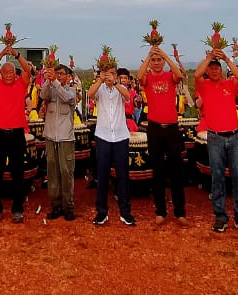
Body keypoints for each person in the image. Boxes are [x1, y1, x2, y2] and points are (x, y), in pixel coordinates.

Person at [194, 48, 238, 234]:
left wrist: (226, 58)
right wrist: (209, 57)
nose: (214, 70)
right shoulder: (204, 86)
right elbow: (196, 74)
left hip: (234, 137)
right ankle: (220, 216)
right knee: (217, 178)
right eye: (211, 68)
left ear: (221, 69)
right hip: (215, 137)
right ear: (208, 71)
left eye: (217, 68)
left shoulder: (229, 84)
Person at [138, 46, 187, 226]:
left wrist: (165, 54)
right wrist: (149, 55)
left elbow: (179, 75)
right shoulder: (148, 78)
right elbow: (139, 76)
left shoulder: (169, 76)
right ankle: (160, 211)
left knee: (176, 171)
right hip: (155, 128)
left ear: (164, 62)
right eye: (154, 61)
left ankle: (180, 212)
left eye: (159, 60)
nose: (157, 63)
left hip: (172, 128)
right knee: (157, 171)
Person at [0, 46, 33, 224]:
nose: (8, 74)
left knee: (17, 172)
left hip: (16, 134)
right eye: (5, 71)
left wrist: (16, 55)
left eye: (12, 71)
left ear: (15, 74)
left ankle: (17, 208)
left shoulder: (21, 84)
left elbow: (28, 70)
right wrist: (1, 54)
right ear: (1, 73)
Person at [88, 63, 135, 226]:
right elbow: (90, 93)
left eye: (113, 73)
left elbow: (128, 97)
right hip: (103, 136)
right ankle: (101, 213)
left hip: (121, 136)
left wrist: (115, 82)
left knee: (123, 176)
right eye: (107, 73)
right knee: (102, 176)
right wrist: (100, 80)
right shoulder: (99, 88)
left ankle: (125, 212)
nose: (110, 76)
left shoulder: (120, 88)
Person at [41, 63, 78, 221]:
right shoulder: (51, 88)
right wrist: (47, 82)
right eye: (56, 73)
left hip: (65, 138)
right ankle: (55, 206)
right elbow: (43, 95)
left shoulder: (71, 91)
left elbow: (67, 97)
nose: (58, 76)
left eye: (61, 74)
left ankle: (68, 206)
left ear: (68, 77)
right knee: (53, 173)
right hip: (50, 136)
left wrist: (54, 82)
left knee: (66, 172)